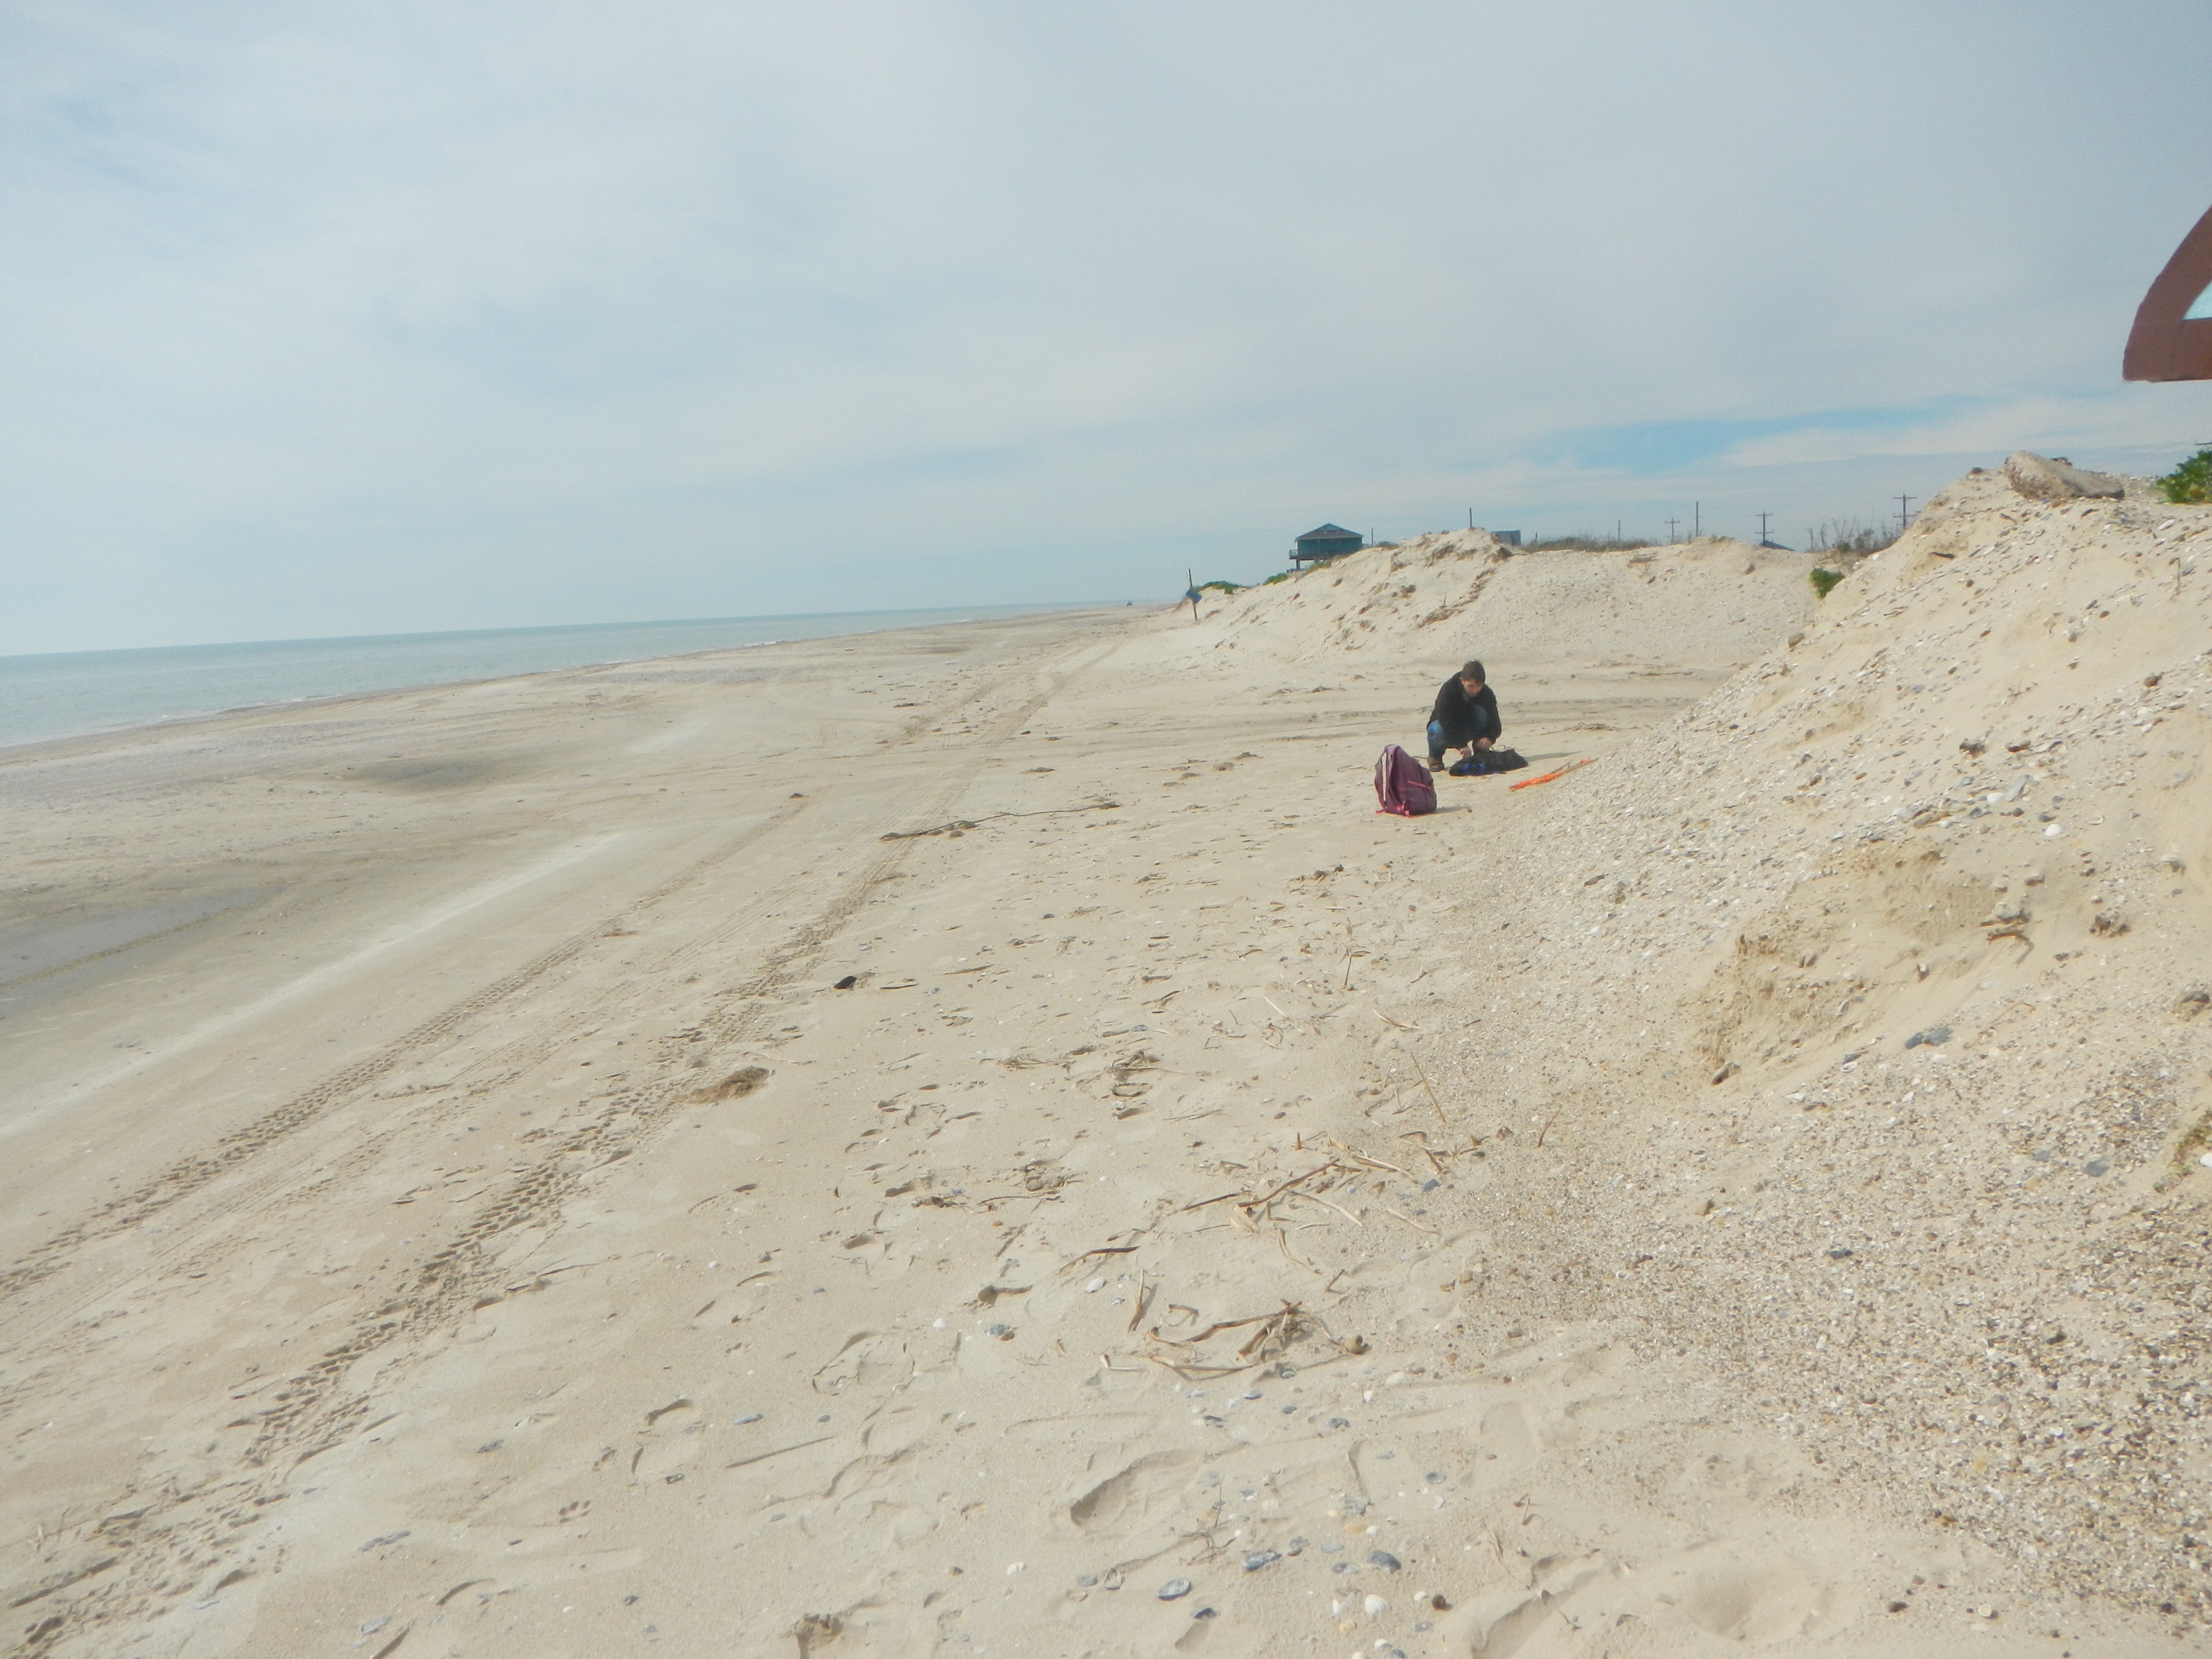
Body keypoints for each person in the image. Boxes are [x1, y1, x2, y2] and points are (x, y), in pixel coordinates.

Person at [1427, 660, 1500, 771]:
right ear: (1462, 681)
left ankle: (1480, 752)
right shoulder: (1449, 689)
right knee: (1437, 729)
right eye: (1471, 686)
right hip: (1446, 728)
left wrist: (1489, 738)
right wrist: (1461, 744)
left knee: (1481, 713)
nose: (1475, 690)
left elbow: (1495, 721)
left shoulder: (1486, 693)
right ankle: (1435, 757)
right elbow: (1444, 717)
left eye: (1479, 686)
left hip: (1468, 727)